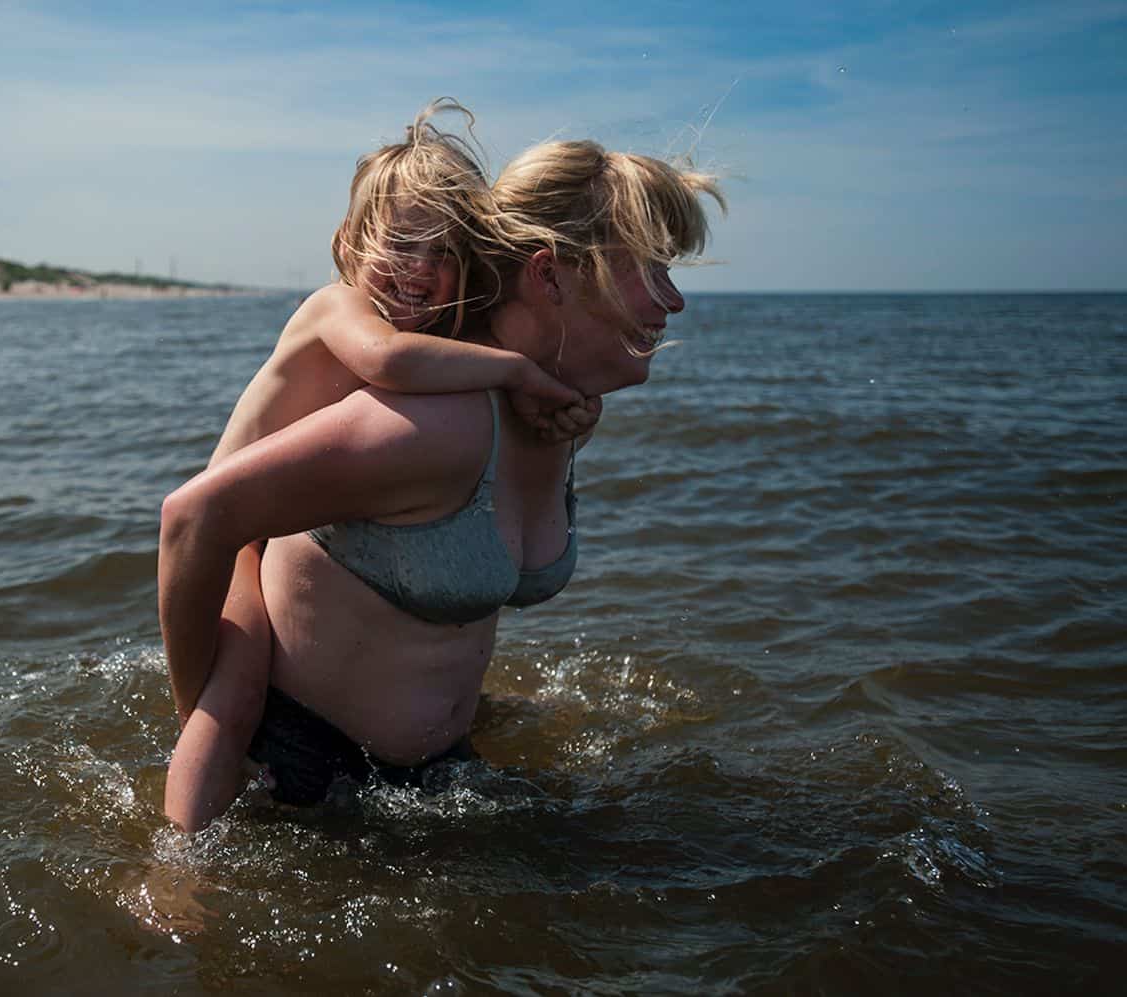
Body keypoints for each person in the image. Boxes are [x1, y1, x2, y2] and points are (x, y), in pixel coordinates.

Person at [158, 137, 723, 831]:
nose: (675, 299)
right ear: (549, 275)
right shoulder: (433, 416)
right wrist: (202, 703)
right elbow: (194, 516)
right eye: (654, 266)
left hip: (434, 782)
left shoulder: (550, 409)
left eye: (442, 256)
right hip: (298, 778)